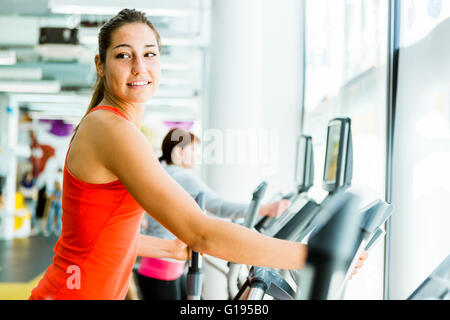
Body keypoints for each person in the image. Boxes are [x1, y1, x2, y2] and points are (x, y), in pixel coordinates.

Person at [29, 9, 364, 300]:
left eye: (149, 54)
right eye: (123, 55)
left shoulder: (110, 126)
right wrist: (314, 256)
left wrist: (167, 248)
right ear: (100, 65)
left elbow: (98, 234)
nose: (139, 68)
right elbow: (200, 231)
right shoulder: (111, 129)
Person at [137, 128, 291, 300]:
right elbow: (220, 207)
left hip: (157, 266)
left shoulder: (163, 172)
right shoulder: (181, 176)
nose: (198, 155)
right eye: (194, 150)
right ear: (178, 152)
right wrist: (265, 208)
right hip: (164, 268)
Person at [19, 171, 38, 235]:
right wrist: (29, 193)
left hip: (32, 201)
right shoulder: (22, 183)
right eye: (28, 176)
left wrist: (28, 193)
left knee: (32, 214)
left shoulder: (33, 183)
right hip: (25, 201)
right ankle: (27, 228)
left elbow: (34, 192)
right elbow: (22, 192)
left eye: (30, 176)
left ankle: (34, 227)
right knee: (25, 214)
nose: (29, 177)